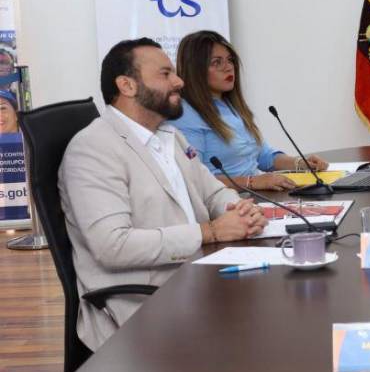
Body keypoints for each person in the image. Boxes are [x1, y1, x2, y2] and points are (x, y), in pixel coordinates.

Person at [60, 38, 266, 351]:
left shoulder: (169, 135)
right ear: (127, 85)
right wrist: (209, 232)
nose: (179, 81)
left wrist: (240, 211)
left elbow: (213, 193)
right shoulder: (93, 149)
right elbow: (112, 246)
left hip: (195, 279)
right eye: (165, 74)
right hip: (142, 305)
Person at [174, 30, 328, 192]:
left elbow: (263, 156)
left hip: (256, 196)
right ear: (195, 69)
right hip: (226, 201)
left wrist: (300, 163)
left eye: (230, 60)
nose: (228, 67)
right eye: (216, 62)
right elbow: (195, 179)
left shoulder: (231, 106)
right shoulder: (185, 114)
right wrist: (252, 182)